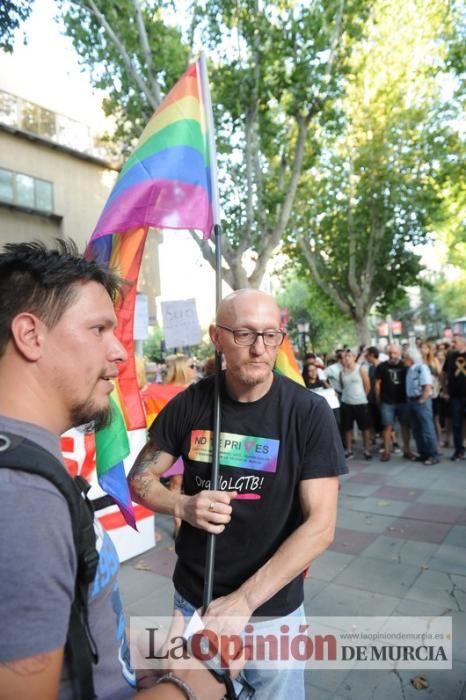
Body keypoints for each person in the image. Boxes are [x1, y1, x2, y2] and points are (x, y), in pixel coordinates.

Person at [0, 240, 240, 700]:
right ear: (30, 335)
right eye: (98, 329)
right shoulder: (22, 499)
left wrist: (128, 661)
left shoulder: (33, 468)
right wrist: (188, 688)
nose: (120, 353)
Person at [128, 288, 347, 699]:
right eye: (244, 334)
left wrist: (244, 601)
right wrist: (183, 505)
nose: (259, 349)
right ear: (217, 336)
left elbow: (322, 526)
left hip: (270, 608)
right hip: (195, 598)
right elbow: (140, 480)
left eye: (270, 335)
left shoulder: (307, 412)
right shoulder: (191, 404)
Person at [142, 355, 197, 535]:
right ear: (182, 369)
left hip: (180, 447)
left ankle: (179, 525)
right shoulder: (189, 395)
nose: (194, 369)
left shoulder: (194, 392)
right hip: (179, 448)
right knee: (178, 484)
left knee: (178, 485)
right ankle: (179, 525)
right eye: (191, 366)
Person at [375, 343, 414, 461]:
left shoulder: (405, 366)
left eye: (395, 353)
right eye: (390, 353)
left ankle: (407, 450)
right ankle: (386, 451)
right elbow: (377, 384)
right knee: (387, 427)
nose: (393, 355)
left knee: (405, 426)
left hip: (403, 400)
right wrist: (378, 400)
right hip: (387, 401)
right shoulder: (381, 366)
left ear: (400, 353)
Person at [404, 347, 440, 465]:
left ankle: (434, 455)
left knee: (427, 429)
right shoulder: (410, 369)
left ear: (411, 358)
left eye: (405, 357)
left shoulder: (421, 368)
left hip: (421, 401)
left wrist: (422, 400)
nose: (404, 359)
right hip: (411, 401)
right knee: (416, 429)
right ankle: (423, 453)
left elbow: (427, 386)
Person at [339, 349, 372, 460]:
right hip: (346, 403)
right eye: (345, 356)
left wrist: (362, 396)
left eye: (349, 356)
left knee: (365, 428)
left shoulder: (360, 369)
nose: (346, 358)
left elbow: (367, 385)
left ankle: (366, 449)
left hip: (360, 403)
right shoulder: (342, 372)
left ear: (354, 357)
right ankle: (349, 450)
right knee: (347, 428)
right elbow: (342, 386)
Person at [442, 334, 466, 461]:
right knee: (456, 423)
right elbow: (444, 374)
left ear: (463, 342)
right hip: (455, 395)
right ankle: (459, 450)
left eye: (455, 342)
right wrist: (445, 390)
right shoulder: (451, 356)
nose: (453, 344)